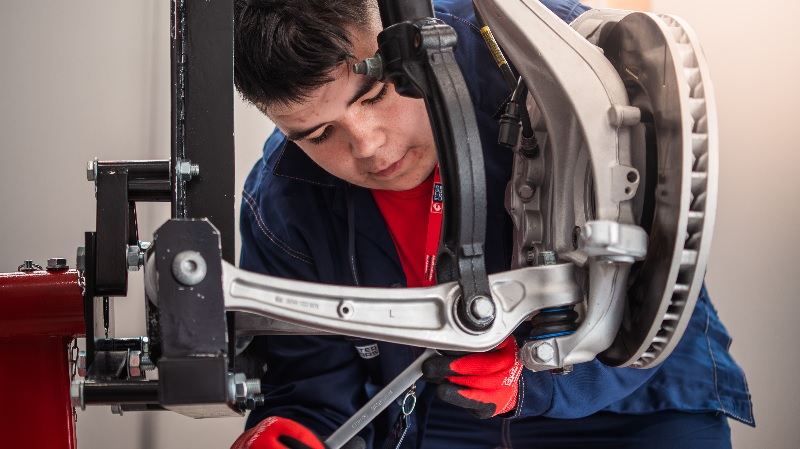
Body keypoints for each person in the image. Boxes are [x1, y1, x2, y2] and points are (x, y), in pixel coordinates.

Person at [230, 0, 754, 448]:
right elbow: (313, 385)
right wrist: (290, 425)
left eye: (375, 95)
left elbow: (656, 280)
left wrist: (538, 384)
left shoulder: (552, 59)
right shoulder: (281, 201)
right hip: (449, 416)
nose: (368, 145)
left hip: (635, 404)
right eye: (320, 135)